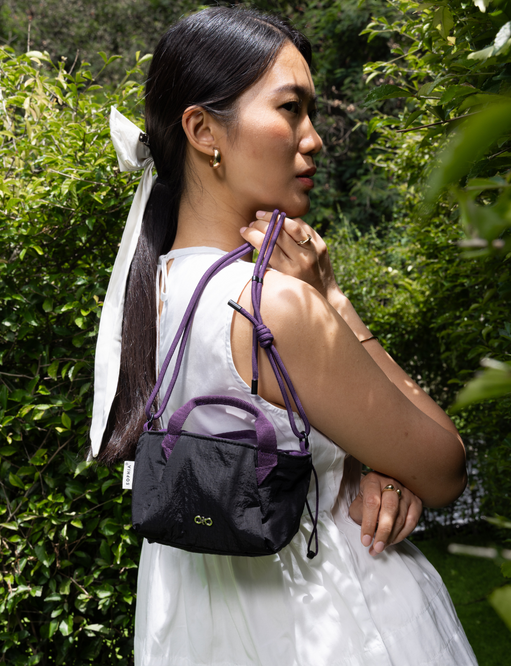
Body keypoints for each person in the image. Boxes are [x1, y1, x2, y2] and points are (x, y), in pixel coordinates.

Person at [90, 6, 478, 665]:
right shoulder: (275, 308)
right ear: (202, 130)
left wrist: (366, 464)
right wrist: (336, 303)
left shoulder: (150, 293)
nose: (314, 138)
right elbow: (443, 469)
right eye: (291, 108)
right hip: (332, 620)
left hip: (206, 629)